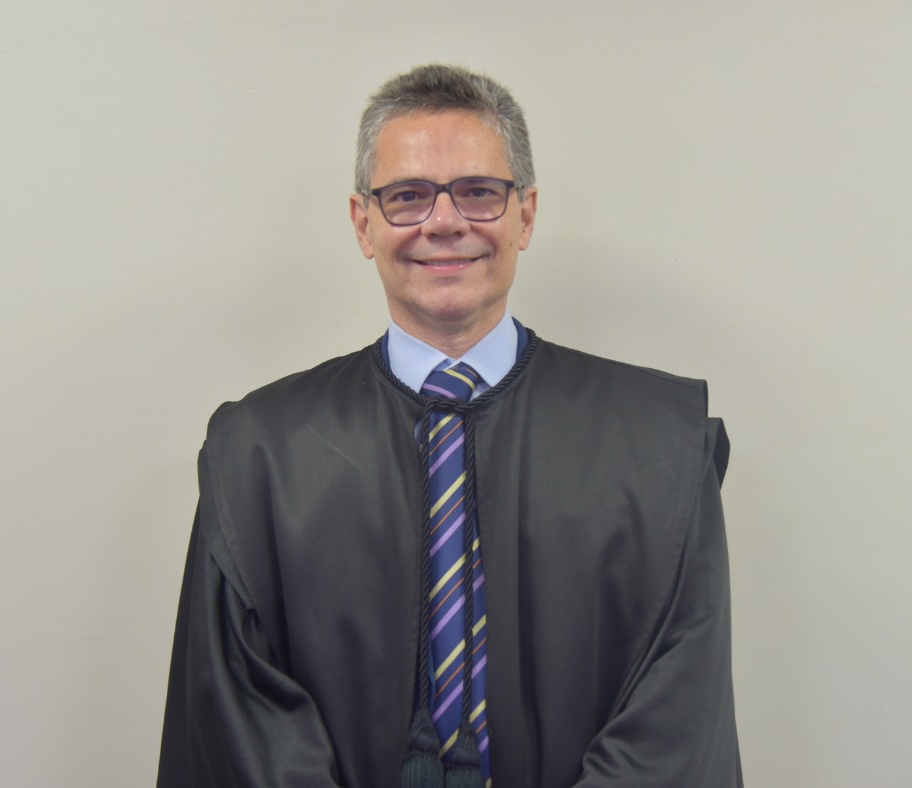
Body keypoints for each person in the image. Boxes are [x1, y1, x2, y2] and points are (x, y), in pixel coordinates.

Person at [157, 64, 743, 787]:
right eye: (407, 196)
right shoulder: (258, 457)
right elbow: (239, 728)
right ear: (363, 223)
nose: (443, 222)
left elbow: (675, 722)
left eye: (478, 192)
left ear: (526, 214)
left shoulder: (661, 444)